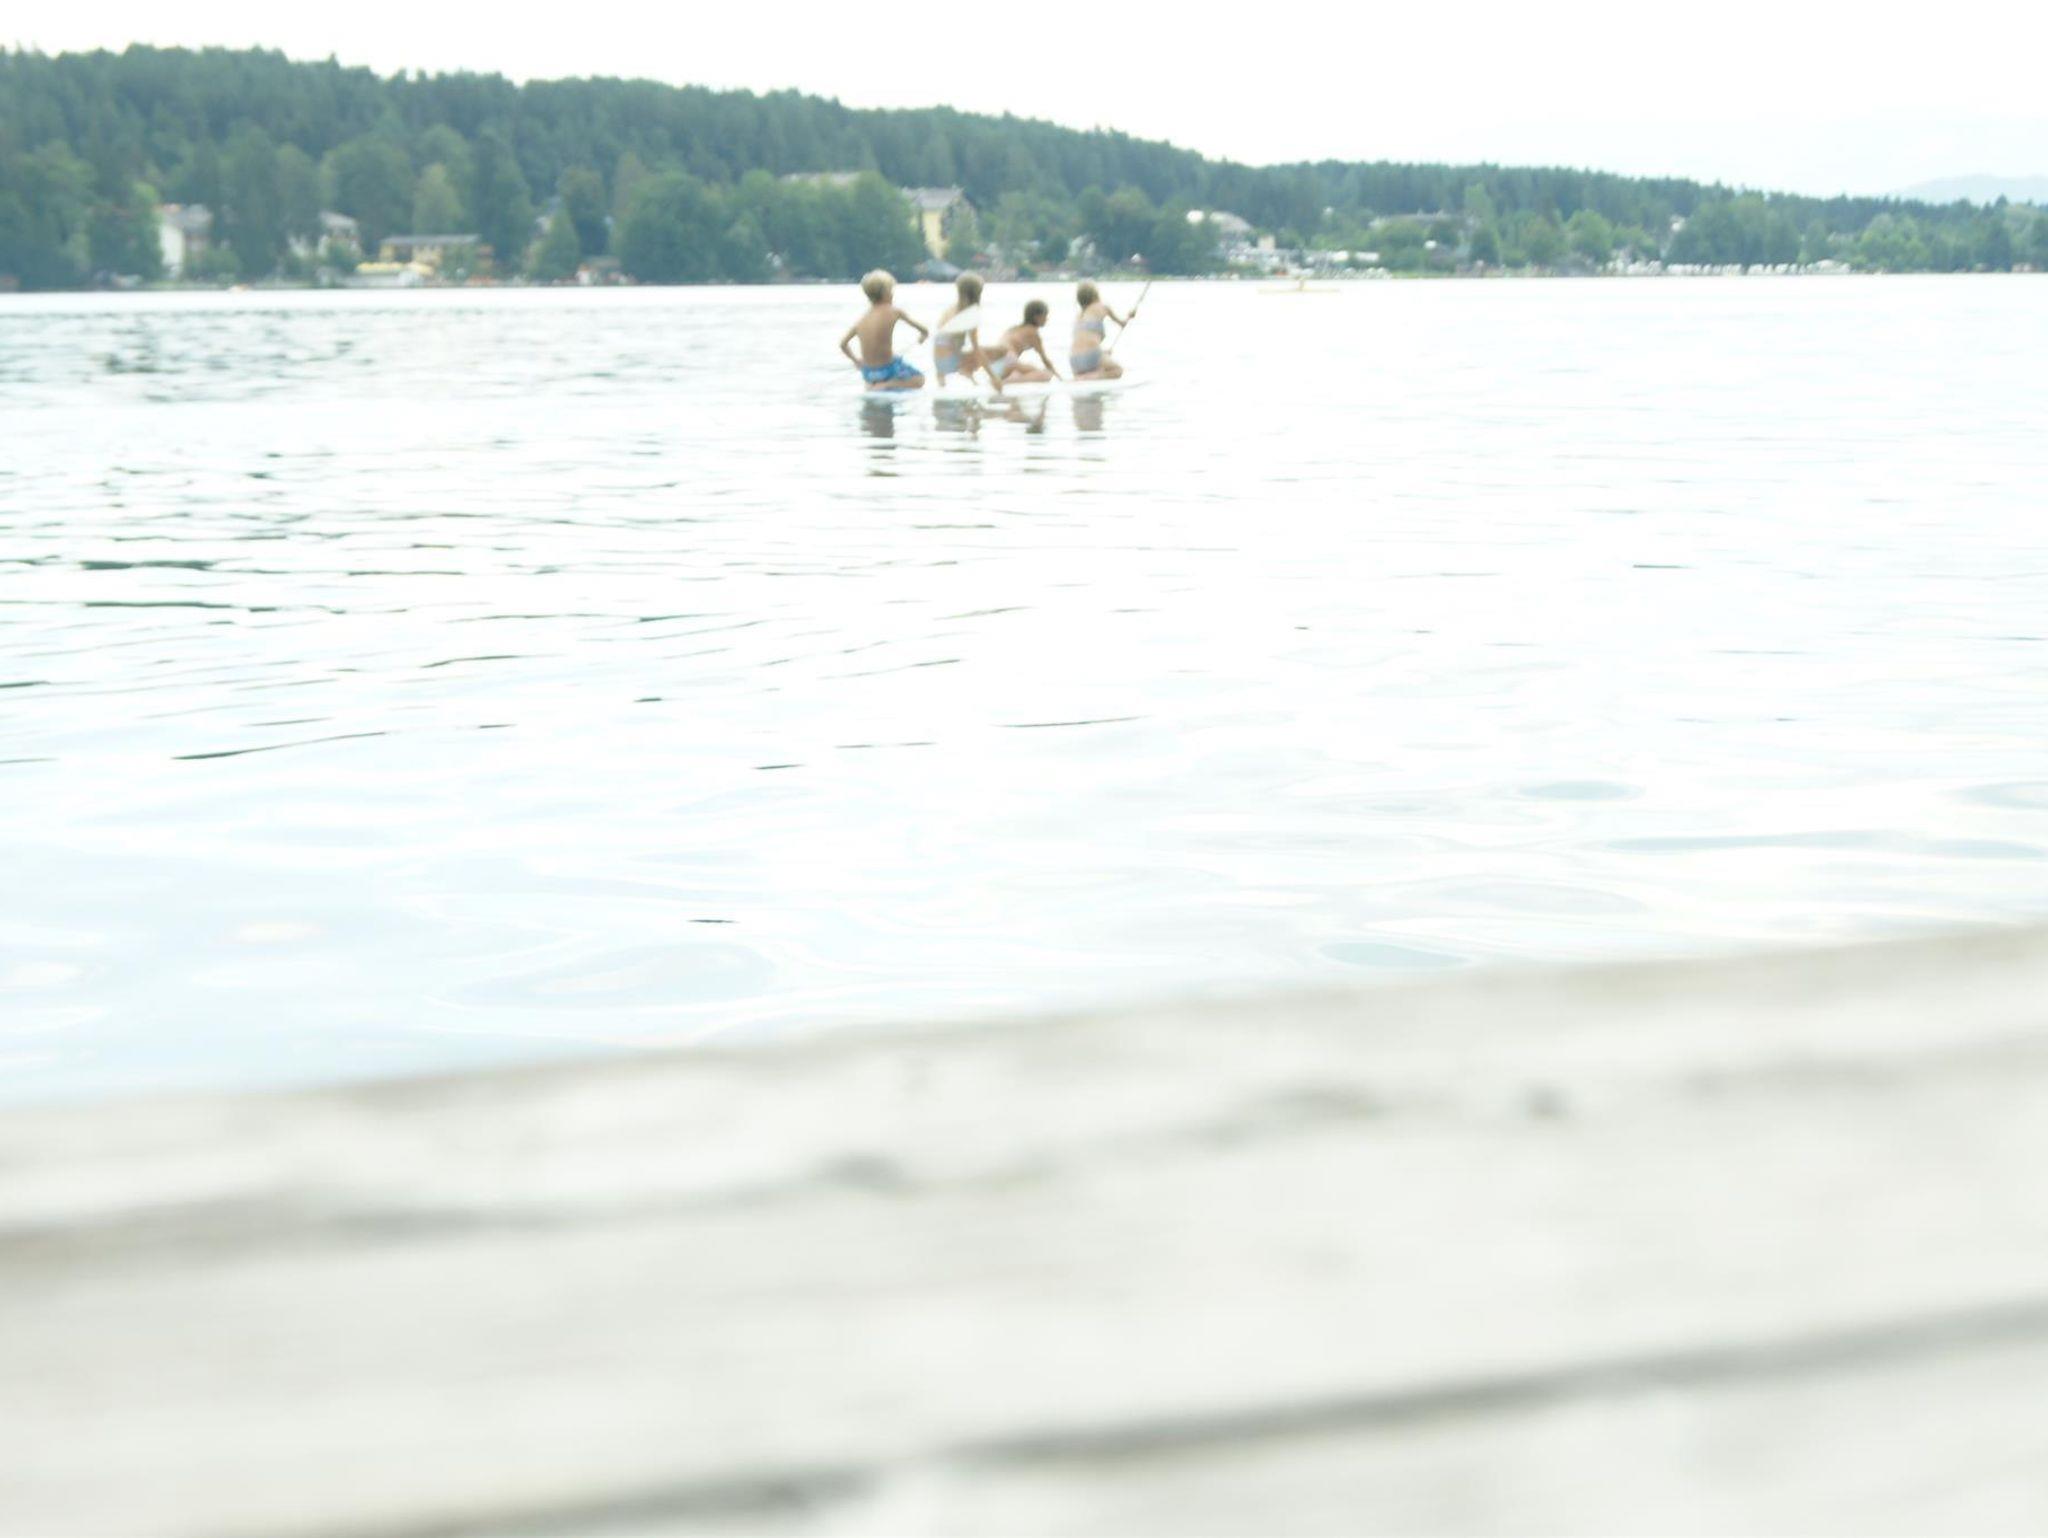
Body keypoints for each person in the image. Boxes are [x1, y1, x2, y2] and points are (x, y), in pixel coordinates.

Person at [839, 270, 928, 390]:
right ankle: (887, 384)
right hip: (887, 369)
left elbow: (843, 344)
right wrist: (923, 336)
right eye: (891, 291)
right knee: (919, 379)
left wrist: (856, 361)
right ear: (886, 293)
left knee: (887, 366)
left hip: (868, 372)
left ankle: (872, 384)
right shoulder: (894, 311)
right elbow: (924, 330)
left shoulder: (862, 320)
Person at [932, 272, 1000, 392]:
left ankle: (943, 382)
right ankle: (966, 371)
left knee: (951, 345)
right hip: (951, 362)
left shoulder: (950, 309)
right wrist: (994, 377)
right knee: (994, 351)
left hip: (939, 363)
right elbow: (976, 349)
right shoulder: (970, 314)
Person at [984, 300, 1063, 386]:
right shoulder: (1032, 332)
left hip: (993, 365)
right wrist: (1059, 378)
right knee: (1046, 375)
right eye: (1045, 316)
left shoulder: (1014, 329)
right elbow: (1045, 360)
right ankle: (1004, 383)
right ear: (1037, 317)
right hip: (1008, 360)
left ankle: (1003, 381)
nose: (1047, 319)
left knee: (1023, 372)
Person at [1070, 282, 1127, 379]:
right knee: (1118, 370)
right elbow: (1122, 323)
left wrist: (1103, 353)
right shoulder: (1101, 307)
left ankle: (1081, 376)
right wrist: (1129, 316)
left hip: (1074, 360)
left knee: (1101, 363)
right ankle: (1089, 378)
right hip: (1091, 357)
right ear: (1095, 294)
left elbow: (1087, 341)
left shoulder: (1078, 316)